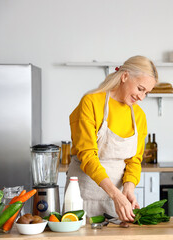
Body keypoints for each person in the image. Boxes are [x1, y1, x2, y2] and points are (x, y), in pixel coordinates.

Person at [66, 55, 158, 222]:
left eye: (147, 93)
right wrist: (115, 195)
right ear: (124, 76)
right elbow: (87, 156)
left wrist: (129, 187)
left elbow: (134, 160)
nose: (142, 97)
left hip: (119, 199)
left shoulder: (138, 115)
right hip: (85, 195)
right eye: (140, 88)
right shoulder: (91, 102)